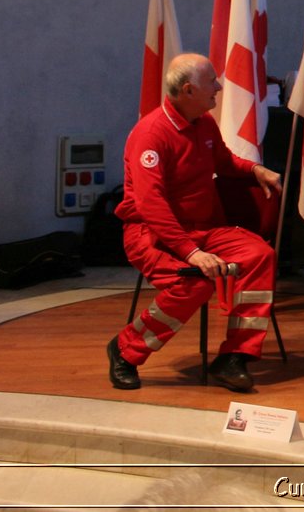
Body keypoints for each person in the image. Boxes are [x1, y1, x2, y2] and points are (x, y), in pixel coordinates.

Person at [108, 53, 282, 393]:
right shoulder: (151, 134)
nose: (218, 87)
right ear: (188, 90)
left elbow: (224, 159)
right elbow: (151, 205)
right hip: (152, 234)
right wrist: (190, 253)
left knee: (260, 255)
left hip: (203, 229)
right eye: (211, 82)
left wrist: (253, 169)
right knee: (196, 282)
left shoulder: (203, 122)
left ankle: (234, 357)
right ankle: (126, 350)